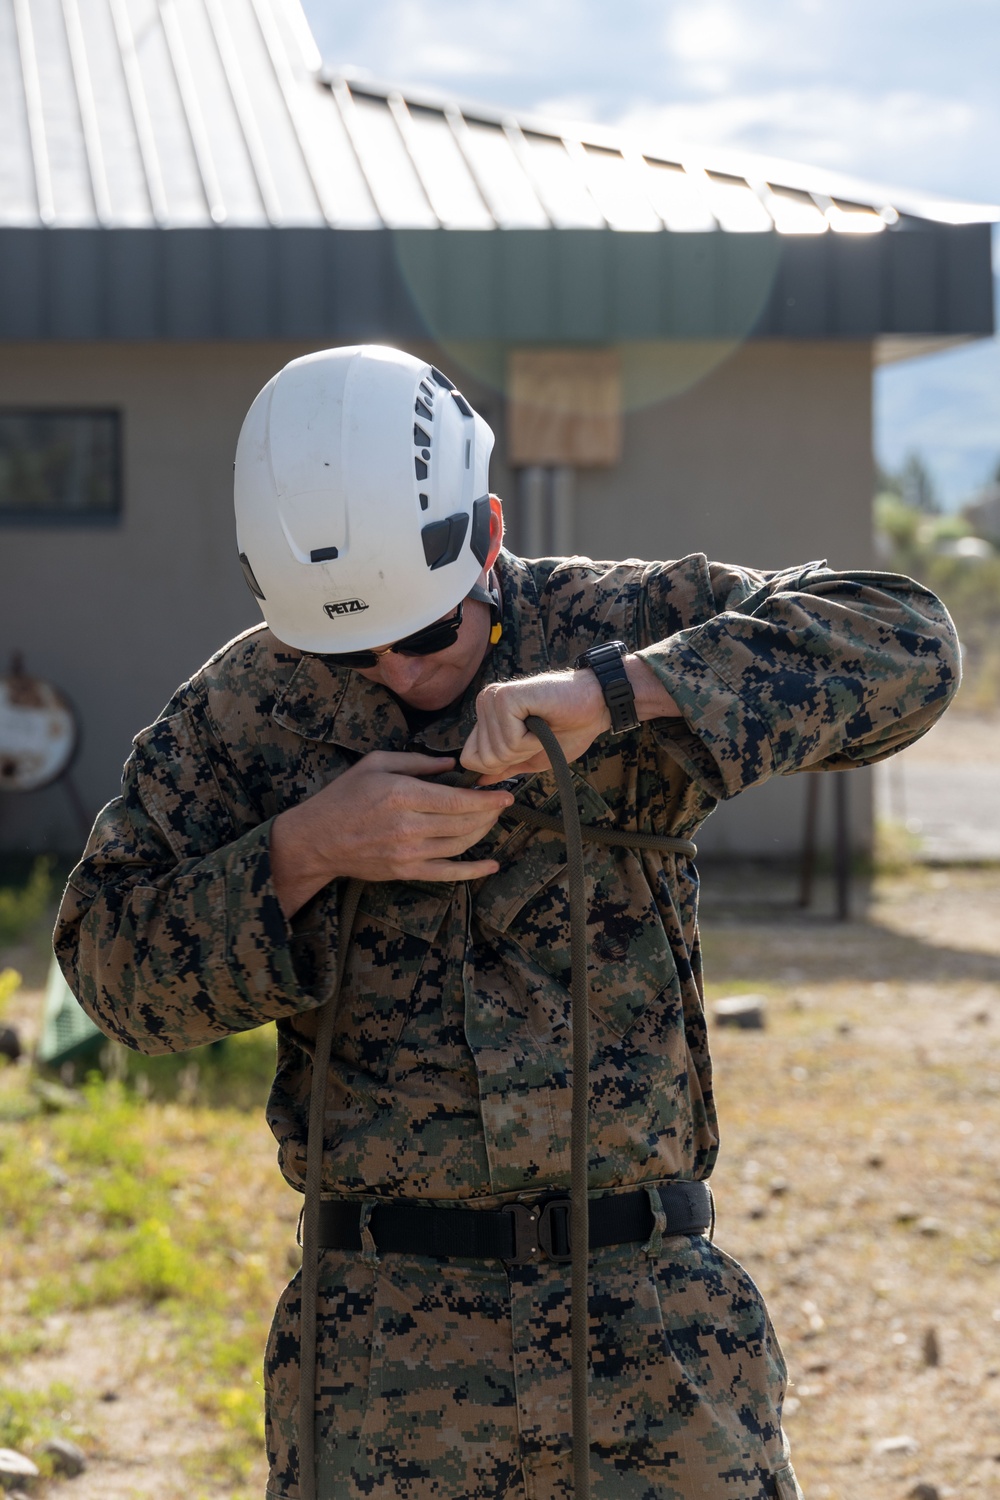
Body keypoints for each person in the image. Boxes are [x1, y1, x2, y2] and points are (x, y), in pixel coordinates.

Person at [55, 344, 960, 1500]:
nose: (393, 672)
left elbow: (906, 644)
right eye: (348, 651)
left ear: (485, 534)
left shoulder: (613, 622)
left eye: (425, 634)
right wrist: (303, 851)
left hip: (648, 1326)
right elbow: (109, 970)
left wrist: (617, 694)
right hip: (381, 1355)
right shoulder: (243, 714)